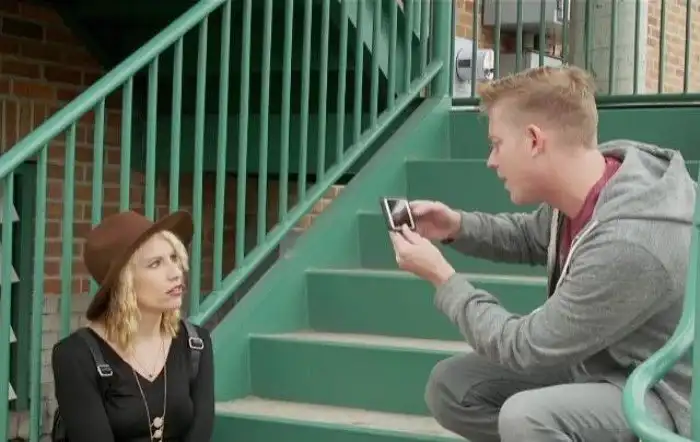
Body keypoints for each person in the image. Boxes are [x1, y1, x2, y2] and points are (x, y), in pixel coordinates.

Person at [389, 65, 693, 441]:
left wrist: (442, 278)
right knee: (454, 387)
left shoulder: (629, 242)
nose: (491, 160)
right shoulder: (597, 183)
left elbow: (524, 348)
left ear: (534, 140)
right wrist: (456, 226)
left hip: (660, 391)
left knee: (527, 417)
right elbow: (532, 236)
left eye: (497, 143)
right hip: (602, 362)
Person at [51, 210, 215, 442]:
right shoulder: (76, 356)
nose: (176, 273)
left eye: (174, 258)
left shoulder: (196, 344)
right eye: (155, 264)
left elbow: (200, 433)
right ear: (124, 282)